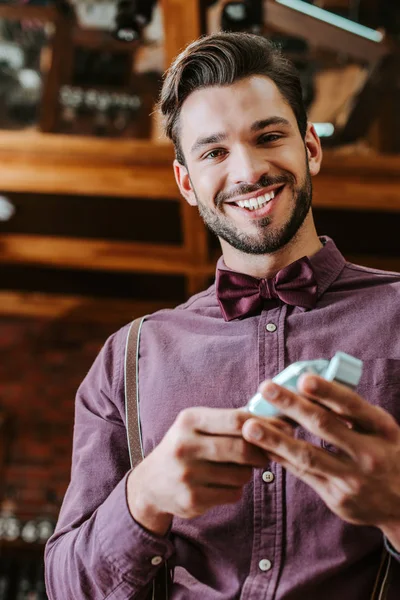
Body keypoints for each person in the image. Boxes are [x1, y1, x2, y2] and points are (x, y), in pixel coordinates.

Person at [45, 32, 400, 599]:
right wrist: (144, 498)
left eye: (270, 137)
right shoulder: (128, 359)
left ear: (310, 147)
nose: (249, 170)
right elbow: (67, 588)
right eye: (214, 152)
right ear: (187, 182)